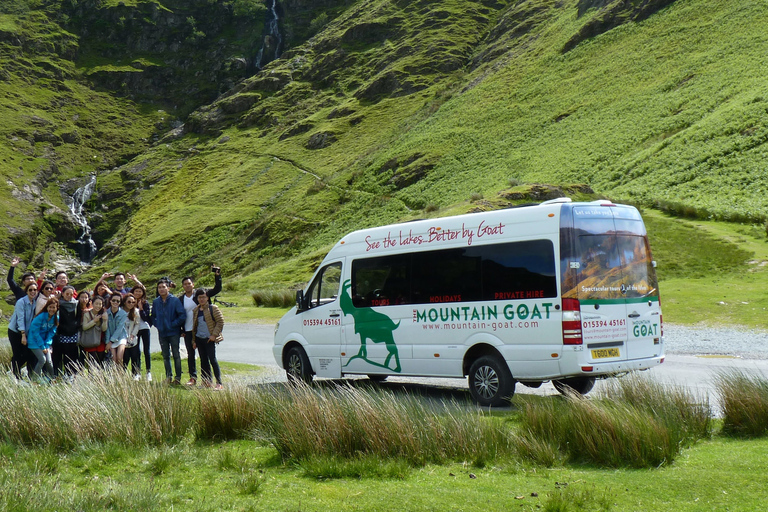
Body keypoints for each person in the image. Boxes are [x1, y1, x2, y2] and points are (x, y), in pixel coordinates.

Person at [178, 266, 222, 386]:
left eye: (189, 283)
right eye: (185, 284)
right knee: (192, 355)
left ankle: (216, 381)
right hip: (189, 331)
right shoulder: (180, 299)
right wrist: (180, 329)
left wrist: (217, 276)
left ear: (193, 284)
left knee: (210, 358)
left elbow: (217, 288)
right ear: (183, 286)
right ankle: (194, 378)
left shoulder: (200, 294)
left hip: (204, 331)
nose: (187, 286)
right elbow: (179, 315)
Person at [151, 279, 186, 385]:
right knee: (165, 356)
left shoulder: (175, 300)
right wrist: (158, 325)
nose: (161, 289)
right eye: (159, 287)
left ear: (168, 288)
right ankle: (168, 377)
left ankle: (178, 377)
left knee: (176, 355)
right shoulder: (156, 302)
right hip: (162, 333)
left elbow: (182, 315)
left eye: (163, 287)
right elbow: (153, 316)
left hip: (174, 332)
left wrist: (172, 324)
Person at [192, 289, 224, 389]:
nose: (202, 299)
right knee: (203, 361)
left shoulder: (213, 308)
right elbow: (195, 326)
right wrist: (193, 341)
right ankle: (206, 382)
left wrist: (214, 335)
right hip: (199, 339)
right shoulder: (196, 310)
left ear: (207, 298)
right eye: (199, 297)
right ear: (197, 299)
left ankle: (219, 383)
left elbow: (220, 322)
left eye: (203, 297)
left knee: (213, 360)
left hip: (209, 339)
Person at [7, 282, 38, 380]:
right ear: (26, 291)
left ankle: (14, 371)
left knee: (27, 354)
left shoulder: (35, 302)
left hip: (26, 332)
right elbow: (20, 319)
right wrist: (23, 335)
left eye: (34, 290)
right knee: (17, 353)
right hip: (15, 332)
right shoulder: (21, 302)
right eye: (30, 290)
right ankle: (17, 377)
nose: (32, 292)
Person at [28, 296, 59, 383]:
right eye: (50, 307)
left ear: (57, 308)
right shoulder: (40, 317)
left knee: (49, 361)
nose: (52, 309)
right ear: (47, 307)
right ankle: (34, 380)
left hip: (45, 343)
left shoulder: (56, 319)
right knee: (42, 360)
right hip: (34, 342)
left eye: (54, 307)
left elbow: (51, 333)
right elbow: (35, 332)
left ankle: (53, 378)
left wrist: (46, 345)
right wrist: (42, 347)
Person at [52, 286, 80, 380]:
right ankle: (58, 375)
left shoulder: (76, 304)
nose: (69, 296)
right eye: (67, 294)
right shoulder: (58, 305)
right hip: (61, 334)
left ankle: (71, 375)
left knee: (73, 355)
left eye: (71, 294)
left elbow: (79, 318)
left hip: (73, 334)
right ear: (62, 293)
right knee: (61, 355)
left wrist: (75, 327)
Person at [131, 284, 153, 381]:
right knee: (136, 351)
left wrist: (140, 308)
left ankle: (148, 372)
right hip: (134, 329)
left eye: (140, 291)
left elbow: (145, 317)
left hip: (144, 328)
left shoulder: (145, 303)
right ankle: (137, 372)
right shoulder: (130, 302)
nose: (138, 293)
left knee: (146, 350)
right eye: (136, 291)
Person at [80, 295, 108, 368]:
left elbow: (104, 329)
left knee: (100, 361)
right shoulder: (87, 314)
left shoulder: (103, 314)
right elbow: (84, 327)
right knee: (92, 362)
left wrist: (105, 321)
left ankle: (100, 378)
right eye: (96, 303)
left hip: (100, 340)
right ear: (92, 303)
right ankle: (92, 377)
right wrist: (94, 321)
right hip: (90, 340)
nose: (98, 306)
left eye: (100, 304)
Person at [105, 292, 128, 367]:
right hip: (110, 338)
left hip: (121, 337)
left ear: (120, 302)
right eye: (114, 300)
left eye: (118, 301)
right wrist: (108, 341)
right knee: (113, 359)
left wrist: (111, 341)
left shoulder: (123, 313)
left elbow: (120, 329)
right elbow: (107, 328)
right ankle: (114, 376)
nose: (115, 302)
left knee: (119, 357)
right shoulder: (106, 312)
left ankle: (120, 376)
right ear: (110, 301)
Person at [122, 293, 142, 379]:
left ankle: (135, 375)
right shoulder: (120, 311)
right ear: (125, 302)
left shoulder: (136, 311)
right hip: (122, 338)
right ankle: (122, 375)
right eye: (129, 302)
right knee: (125, 357)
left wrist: (133, 335)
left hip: (132, 337)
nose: (131, 304)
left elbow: (137, 324)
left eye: (133, 302)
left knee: (135, 356)